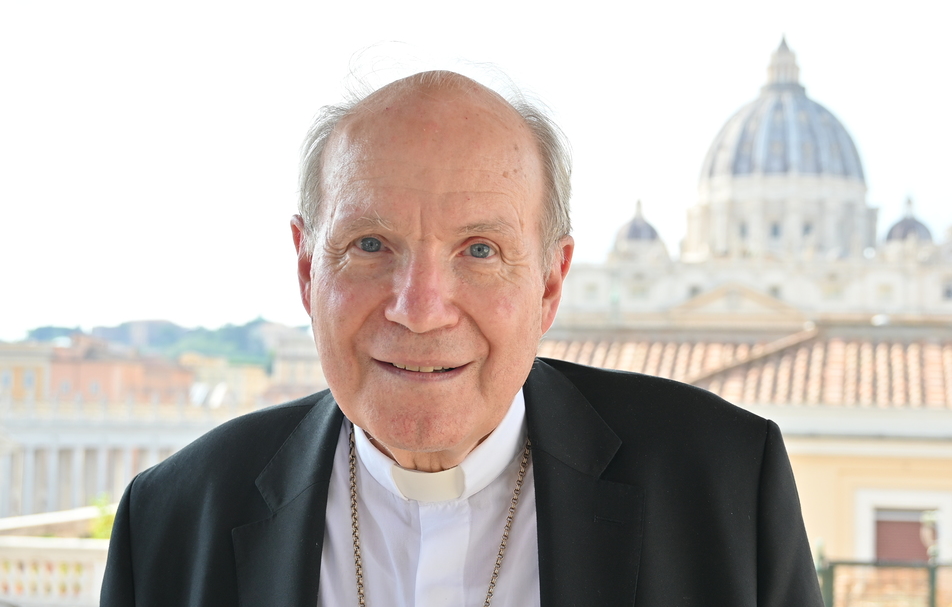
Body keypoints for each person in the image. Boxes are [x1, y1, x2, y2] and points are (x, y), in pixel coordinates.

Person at [101, 70, 824, 606]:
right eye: (370, 244)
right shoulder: (168, 523)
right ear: (307, 269)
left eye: (480, 250)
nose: (420, 311)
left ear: (549, 283)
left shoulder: (724, 485)